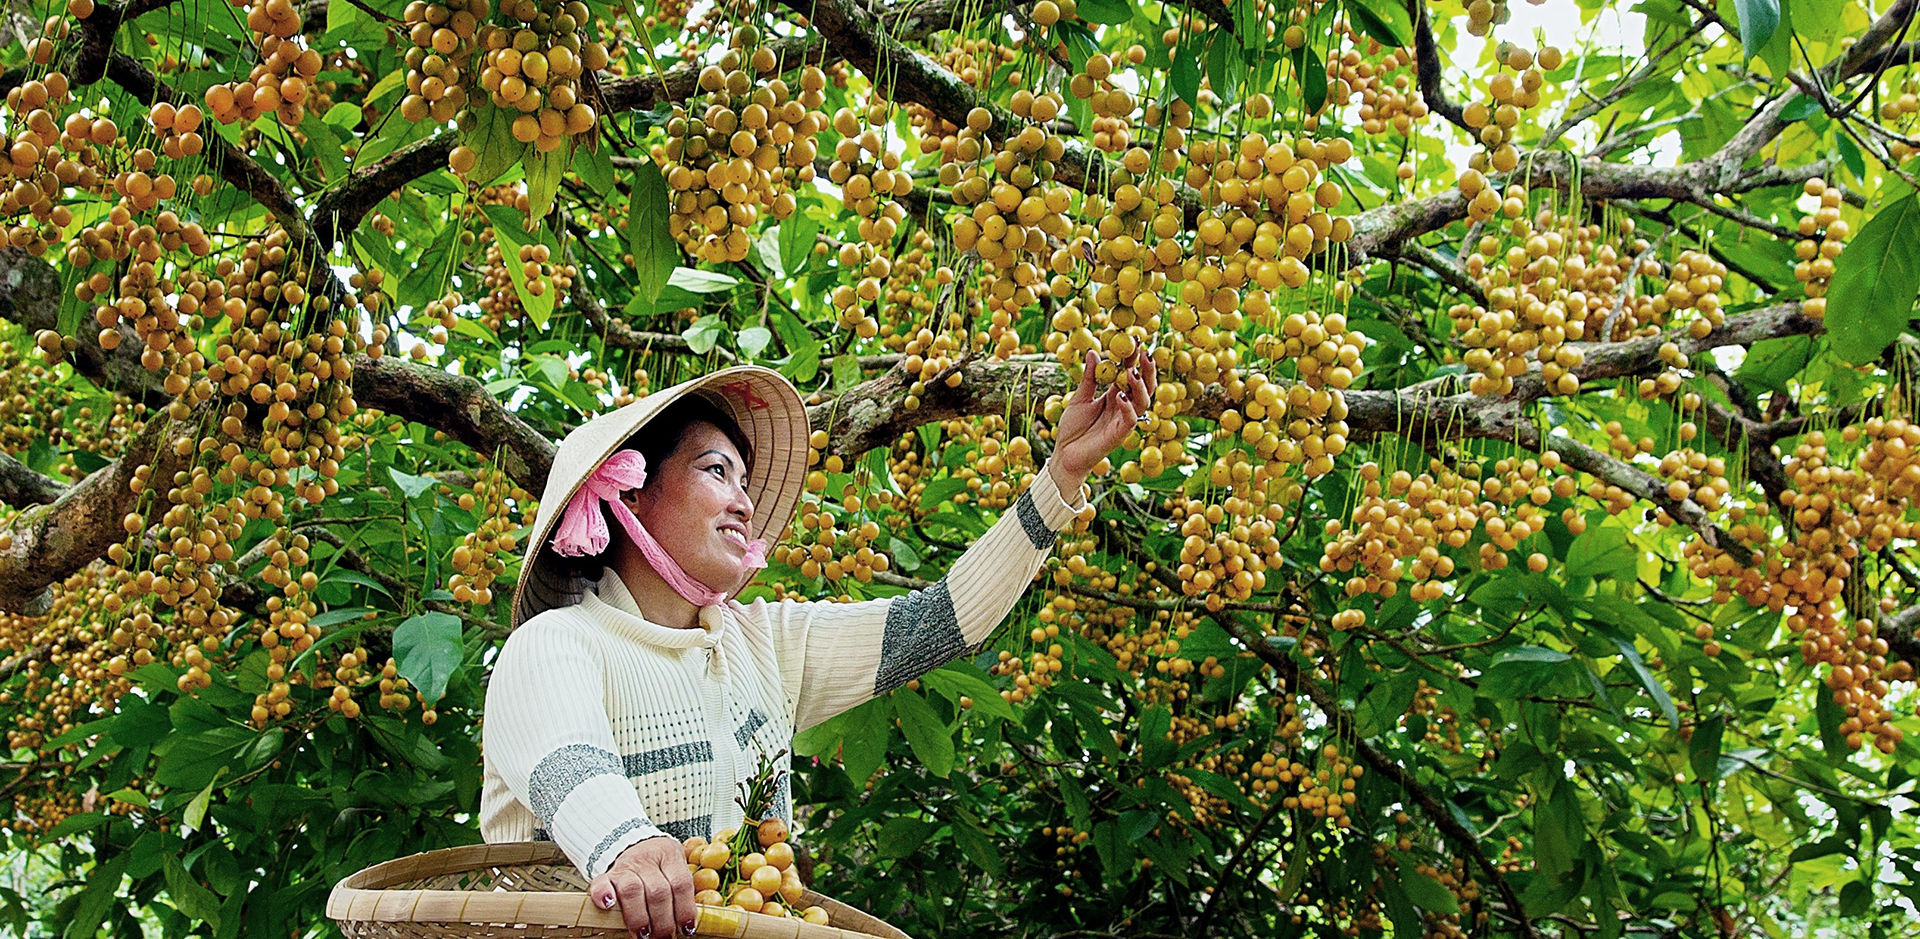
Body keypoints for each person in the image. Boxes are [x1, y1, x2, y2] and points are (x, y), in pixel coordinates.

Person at [480, 348, 1156, 939]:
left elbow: (943, 621)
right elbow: (571, 766)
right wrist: (630, 846)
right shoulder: (554, 644)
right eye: (717, 472)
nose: (744, 501)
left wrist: (1060, 478)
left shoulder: (764, 643)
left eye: (746, 481)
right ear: (628, 494)